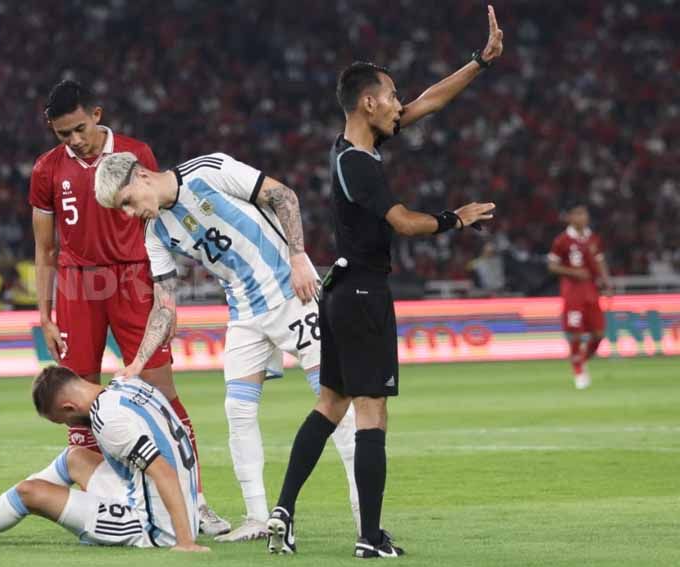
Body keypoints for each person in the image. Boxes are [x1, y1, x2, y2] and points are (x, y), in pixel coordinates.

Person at [267, 5, 504, 558]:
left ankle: (283, 510)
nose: (400, 103)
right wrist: (455, 218)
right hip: (365, 294)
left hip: (343, 291)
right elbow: (402, 221)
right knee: (372, 413)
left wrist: (479, 63)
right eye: (391, 94)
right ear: (369, 102)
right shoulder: (360, 166)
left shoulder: (354, 149)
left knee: (330, 404)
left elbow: (428, 104)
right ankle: (370, 539)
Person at [94, 151, 368, 543]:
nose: (128, 214)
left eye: (126, 202)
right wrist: (137, 362)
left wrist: (298, 257)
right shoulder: (156, 233)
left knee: (337, 407)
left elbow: (283, 196)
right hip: (244, 313)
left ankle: (364, 522)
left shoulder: (210, 169)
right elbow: (164, 305)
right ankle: (257, 517)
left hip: (292, 295)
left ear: (141, 176)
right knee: (237, 410)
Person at [29, 80, 227, 534]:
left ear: (97, 114)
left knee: (162, 393)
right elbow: (45, 249)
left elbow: (157, 223)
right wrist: (45, 314)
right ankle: (100, 504)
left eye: (79, 128)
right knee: (75, 400)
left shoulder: (138, 153)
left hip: (134, 279)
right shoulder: (46, 170)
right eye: (63, 134)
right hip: (77, 287)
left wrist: (163, 291)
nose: (74, 140)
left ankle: (194, 503)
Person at [0, 366, 209, 552]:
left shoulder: (109, 420)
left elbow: (162, 472)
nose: (67, 425)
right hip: (169, 503)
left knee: (30, 492)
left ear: (67, 407)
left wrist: (184, 542)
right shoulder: (124, 385)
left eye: (60, 420)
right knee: (75, 457)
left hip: (151, 526)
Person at [547, 203, 610, 389]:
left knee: (599, 334)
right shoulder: (562, 240)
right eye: (577, 214)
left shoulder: (593, 238)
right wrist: (572, 272)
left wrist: (606, 282)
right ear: (569, 218)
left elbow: (599, 262)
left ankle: (580, 360)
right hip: (572, 292)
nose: (582, 217)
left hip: (591, 291)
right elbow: (552, 266)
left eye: (584, 214)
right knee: (575, 333)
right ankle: (578, 371)